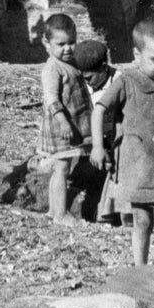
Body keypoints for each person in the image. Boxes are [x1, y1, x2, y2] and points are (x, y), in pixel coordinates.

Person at [90, 18, 154, 265]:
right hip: (140, 165)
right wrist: (98, 147)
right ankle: (141, 268)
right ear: (137, 54)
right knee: (142, 219)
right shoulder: (127, 81)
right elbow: (99, 110)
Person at [38, 13, 93, 226]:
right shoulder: (53, 67)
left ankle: (53, 210)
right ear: (47, 43)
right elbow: (50, 98)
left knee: (63, 167)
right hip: (62, 127)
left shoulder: (69, 63)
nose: (68, 48)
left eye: (71, 43)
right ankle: (60, 213)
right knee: (61, 168)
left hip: (71, 124)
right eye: (61, 44)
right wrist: (63, 121)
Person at [74, 40, 123, 224]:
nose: (88, 83)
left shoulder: (119, 81)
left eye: (90, 78)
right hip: (87, 139)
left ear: (104, 67)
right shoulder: (80, 84)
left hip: (112, 140)